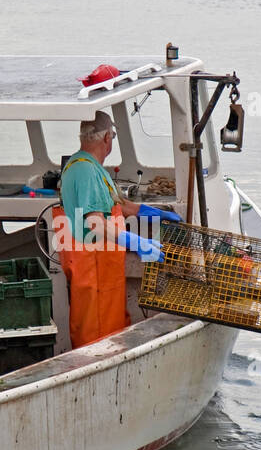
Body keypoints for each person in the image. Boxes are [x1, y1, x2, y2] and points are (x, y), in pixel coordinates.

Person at [56, 111, 178, 348]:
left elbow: (120, 206)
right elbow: (95, 224)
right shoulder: (85, 171)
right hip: (94, 265)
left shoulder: (91, 167)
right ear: (106, 139)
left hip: (103, 266)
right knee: (97, 335)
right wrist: (137, 243)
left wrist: (156, 214)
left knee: (111, 328)